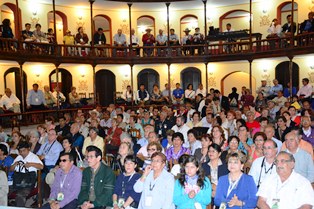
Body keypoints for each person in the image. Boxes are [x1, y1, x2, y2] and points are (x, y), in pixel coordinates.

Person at [10, 141, 44, 206]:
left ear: (28, 149)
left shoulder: (34, 157)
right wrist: (14, 165)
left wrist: (31, 164)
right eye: (20, 151)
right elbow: (11, 170)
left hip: (28, 183)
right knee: (4, 191)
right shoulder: (18, 157)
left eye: (24, 150)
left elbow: (41, 166)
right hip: (17, 182)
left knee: (20, 196)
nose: (22, 153)